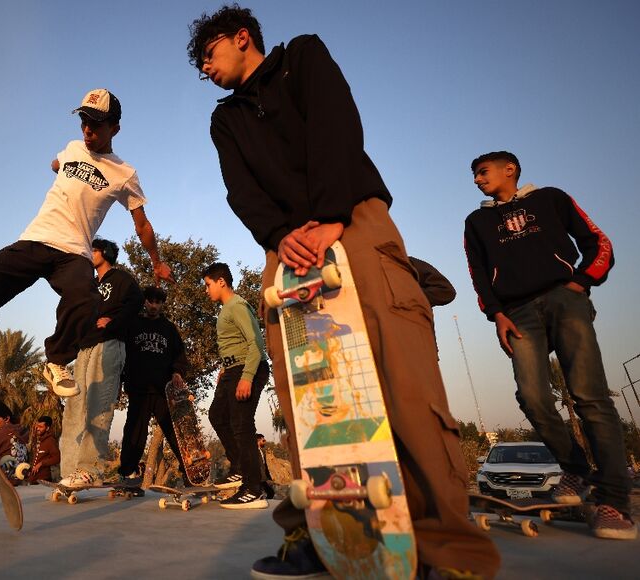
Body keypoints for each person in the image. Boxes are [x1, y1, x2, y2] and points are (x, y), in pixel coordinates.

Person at [187, 5, 500, 577]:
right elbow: (241, 191)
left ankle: (444, 549)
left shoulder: (302, 57)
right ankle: (327, 533)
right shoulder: (224, 120)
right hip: (287, 253)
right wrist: (281, 237)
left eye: (208, 55)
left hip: (353, 222)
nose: (204, 70)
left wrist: (330, 216)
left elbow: (336, 126)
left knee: (401, 382)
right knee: (311, 400)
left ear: (240, 37)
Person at [0, 88, 173, 397]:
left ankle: (57, 361)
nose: (88, 130)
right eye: (84, 121)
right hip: (36, 239)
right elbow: (56, 164)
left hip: (74, 252)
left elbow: (142, 225)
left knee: (85, 298)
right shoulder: (72, 148)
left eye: (97, 124)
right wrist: (60, 168)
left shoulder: (124, 174)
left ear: (115, 128)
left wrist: (156, 261)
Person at [464, 150, 634, 540]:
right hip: (517, 312)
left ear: (510, 169)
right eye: (474, 175)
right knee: (533, 396)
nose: (476, 179)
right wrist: (496, 314)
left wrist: (581, 283)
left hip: (564, 299)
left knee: (589, 395)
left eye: (482, 172)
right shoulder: (477, 221)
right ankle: (575, 470)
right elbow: (477, 272)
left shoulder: (550, 198)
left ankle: (614, 502)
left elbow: (597, 241)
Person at [60, 238, 143, 487]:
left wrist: (114, 322)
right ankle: (69, 472)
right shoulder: (89, 284)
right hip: (83, 349)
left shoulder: (121, 279)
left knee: (99, 407)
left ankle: (89, 470)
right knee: (74, 409)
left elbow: (136, 302)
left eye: (93, 250)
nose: (89, 253)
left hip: (109, 343)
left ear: (105, 253)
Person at [202, 262, 270, 509]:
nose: (207, 290)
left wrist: (247, 376)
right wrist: (224, 368)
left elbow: (256, 343)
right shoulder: (225, 309)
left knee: (242, 425)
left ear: (221, 282)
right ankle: (240, 468)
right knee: (217, 415)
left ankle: (253, 488)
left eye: (208, 285)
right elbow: (234, 344)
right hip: (232, 370)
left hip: (247, 368)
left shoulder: (237, 305)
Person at [117, 285, 190, 487]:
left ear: (162, 305)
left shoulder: (169, 329)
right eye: (150, 301)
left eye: (158, 302)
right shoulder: (132, 324)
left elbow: (179, 355)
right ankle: (127, 472)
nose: (154, 306)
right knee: (134, 431)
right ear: (144, 302)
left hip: (162, 391)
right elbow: (121, 354)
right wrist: (120, 381)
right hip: (138, 388)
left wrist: (177, 372)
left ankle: (190, 471)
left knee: (174, 431)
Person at [27, 416, 61, 484]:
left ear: (47, 428)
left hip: (44, 480)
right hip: (33, 479)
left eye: (40, 427)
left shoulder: (50, 441)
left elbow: (57, 458)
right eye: (37, 426)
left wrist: (41, 464)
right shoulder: (36, 439)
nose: (37, 428)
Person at [256, 434, 275, 500]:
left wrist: (269, 478)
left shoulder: (261, 451)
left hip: (262, 478)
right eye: (263, 440)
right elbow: (258, 466)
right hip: (258, 478)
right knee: (268, 493)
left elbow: (264, 466)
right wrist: (265, 478)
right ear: (258, 441)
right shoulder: (255, 452)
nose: (265, 442)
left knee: (270, 493)